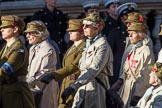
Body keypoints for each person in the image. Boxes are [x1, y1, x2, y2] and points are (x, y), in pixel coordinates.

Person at [61, 13, 113, 108]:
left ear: (97, 28)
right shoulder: (89, 44)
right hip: (82, 87)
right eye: (83, 25)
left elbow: (93, 69)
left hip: (96, 87)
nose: (84, 28)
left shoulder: (102, 46)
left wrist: (73, 86)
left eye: (87, 26)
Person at [40, 19, 86, 108]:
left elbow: (75, 66)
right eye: (69, 31)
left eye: (73, 31)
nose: (70, 33)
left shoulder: (84, 47)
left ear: (82, 33)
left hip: (75, 85)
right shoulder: (72, 47)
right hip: (66, 84)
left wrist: (54, 75)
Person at [112, 22, 155, 108]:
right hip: (126, 88)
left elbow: (145, 75)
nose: (130, 36)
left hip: (135, 89)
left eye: (134, 33)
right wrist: (119, 83)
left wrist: (137, 95)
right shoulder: (133, 48)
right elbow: (126, 69)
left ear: (142, 34)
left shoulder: (146, 50)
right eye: (129, 33)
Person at [0, 15, 35, 108]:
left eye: (5, 27)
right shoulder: (5, 48)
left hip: (16, 95)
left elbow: (5, 70)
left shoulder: (18, 48)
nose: (1, 30)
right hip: (7, 93)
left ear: (15, 29)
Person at [25, 21, 59, 108]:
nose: (27, 36)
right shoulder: (32, 48)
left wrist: (27, 82)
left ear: (39, 34)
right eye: (27, 33)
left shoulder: (48, 49)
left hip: (45, 90)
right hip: (33, 89)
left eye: (30, 33)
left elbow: (45, 72)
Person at [107, 2, 138, 86]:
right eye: (127, 16)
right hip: (118, 72)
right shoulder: (116, 33)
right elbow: (109, 55)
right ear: (122, 18)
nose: (131, 18)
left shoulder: (141, 33)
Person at [32, 0, 67, 66]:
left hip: (59, 47)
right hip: (46, 47)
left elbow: (63, 30)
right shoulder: (39, 15)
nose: (54, 0)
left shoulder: (59, 14)